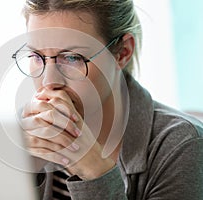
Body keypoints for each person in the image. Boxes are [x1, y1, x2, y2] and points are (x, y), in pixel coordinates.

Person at [13, 0, 203, 199]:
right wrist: (22, 176)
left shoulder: (182, 145)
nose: (49, 81)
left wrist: (95, 172)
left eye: (71, 58)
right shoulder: (22, 132)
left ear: (122, 53)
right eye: (36, 56)